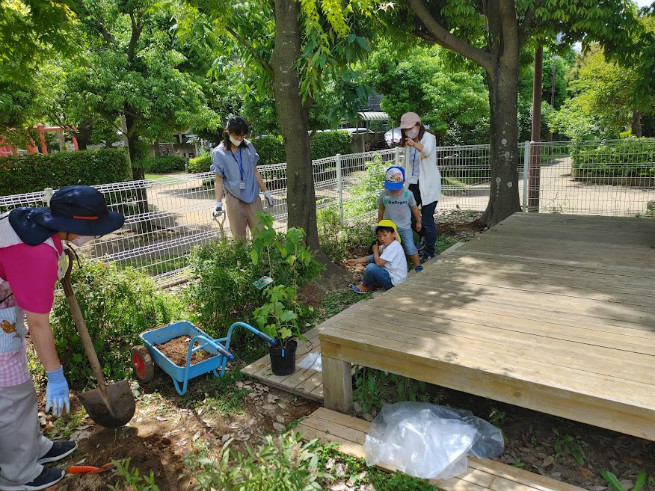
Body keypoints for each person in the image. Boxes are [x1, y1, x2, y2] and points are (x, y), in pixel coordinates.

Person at [0, 185, 125, 491]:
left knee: (19, 386)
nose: (95, 235)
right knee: (11, 394)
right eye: (92, 229)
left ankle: (33, 446)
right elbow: (39, 324)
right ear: (74, 226)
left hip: (5, 304)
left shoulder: (38, 225)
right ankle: (18, 473)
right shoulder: (37, 253)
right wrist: (55, 375)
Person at [210, 117, 274, 239]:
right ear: (228, 132)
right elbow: (219, 180)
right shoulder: (219, 153)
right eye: (236, 136)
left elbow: (255, 171)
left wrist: (266, 192)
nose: (240, 139)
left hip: (253, 198)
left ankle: (262, 258)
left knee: (260, 236)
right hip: (234, 199)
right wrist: (218, 203)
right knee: (239, 239)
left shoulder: (248, 147)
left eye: (242, 136)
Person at [399, 112, 441, 262]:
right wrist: (401, 181)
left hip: (429, 185)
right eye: (405, 129)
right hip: (413, 184)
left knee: (427, 219)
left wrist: (414, 144)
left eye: (410, 128)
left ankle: (430, 252)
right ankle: (423, 234)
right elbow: (406, 164)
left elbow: (427, 150)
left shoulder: (429, 138)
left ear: (418, 125)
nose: (407, 131)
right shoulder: (407, 142)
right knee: (407, 214)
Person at [377, 166, 423, 273]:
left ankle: (417, 266)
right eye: (391, 186)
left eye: (396, 186)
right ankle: (387, 267)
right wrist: (379, 224)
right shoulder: (384, 194)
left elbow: (414, 208)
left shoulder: (408, 194)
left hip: (404, 227)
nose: (393, 189)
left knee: (410, 246)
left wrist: (419, 221)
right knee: (386, 247)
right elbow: (381, 209)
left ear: (403, 182)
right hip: (388, 228)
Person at [345, 220, 408, 294]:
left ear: (393, 234)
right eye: (379, 236)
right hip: (391, 277)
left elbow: (379, 263)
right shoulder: (387, 246)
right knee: (374, 258)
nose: (382, 239)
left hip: (394, 282)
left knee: (371, 267)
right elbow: (373, 257)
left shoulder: (394, 246)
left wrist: (375, 250)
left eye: (385, 235)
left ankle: (366, 286)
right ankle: (373, 282)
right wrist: (357, 261)